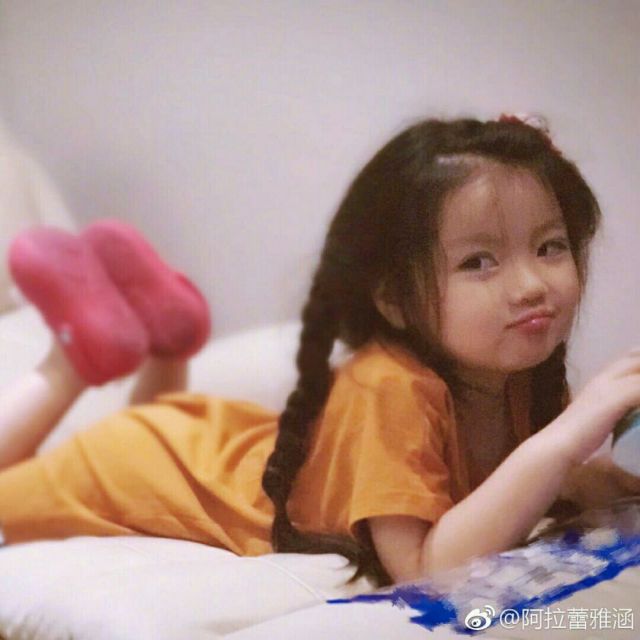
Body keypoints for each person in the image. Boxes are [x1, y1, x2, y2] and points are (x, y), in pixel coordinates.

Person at [0, 116, 639, 588]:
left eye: (550, 247)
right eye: (479, 261)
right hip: (146, 466)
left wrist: (604, 477)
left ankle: (158, 343)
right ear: (392, 299)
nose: (531, 285)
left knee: (139, 427)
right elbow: (425, 568)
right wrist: (566, 438)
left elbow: (533, 487)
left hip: (206, 447)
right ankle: (72, 360)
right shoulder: (389, 387)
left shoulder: (518, 373)